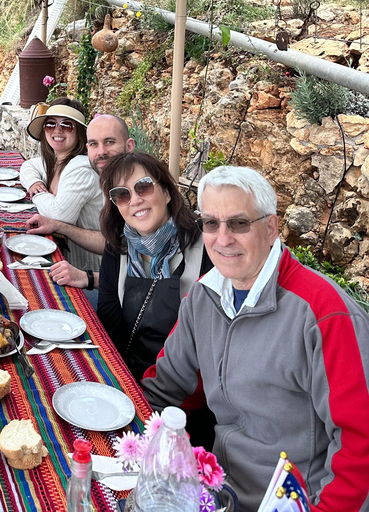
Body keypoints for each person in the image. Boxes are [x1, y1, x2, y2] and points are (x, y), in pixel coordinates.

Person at [141, 166, 369, 511]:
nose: (223, 238)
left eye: (239, 223)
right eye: (211, 223)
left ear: (271, 228)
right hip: (214, 491)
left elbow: (359, 445)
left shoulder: (325, 315)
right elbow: (167, 388)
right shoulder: (204, 297)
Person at [96, 152, 213, 379]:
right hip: (131, 376)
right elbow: (111, 329)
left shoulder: (207, 248)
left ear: (167, 193)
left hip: (188, 386)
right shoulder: (117, 251)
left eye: (144, 187)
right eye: (122, 194)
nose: (135, 200)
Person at [26, 114, 135, 290]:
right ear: (87, 148)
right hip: (107, 283)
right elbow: (114, 242)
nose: (101, 152)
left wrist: (88, 278)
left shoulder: (137, 191)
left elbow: (143, 272)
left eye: (109, 142)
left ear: (129, 146)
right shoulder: (110, 180)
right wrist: (57, 226)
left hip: (118, 295)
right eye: (94, 144)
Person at [19, 98, 102, 271]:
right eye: (50, 124)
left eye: (66, 125)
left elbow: (59, 215)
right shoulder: (57, 160)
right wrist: (34, 182)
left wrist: (38, 193)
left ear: (79, 133)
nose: (57, 130)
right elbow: (27, 166)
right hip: (67, 263)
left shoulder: (82, 168)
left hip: (91, 273)